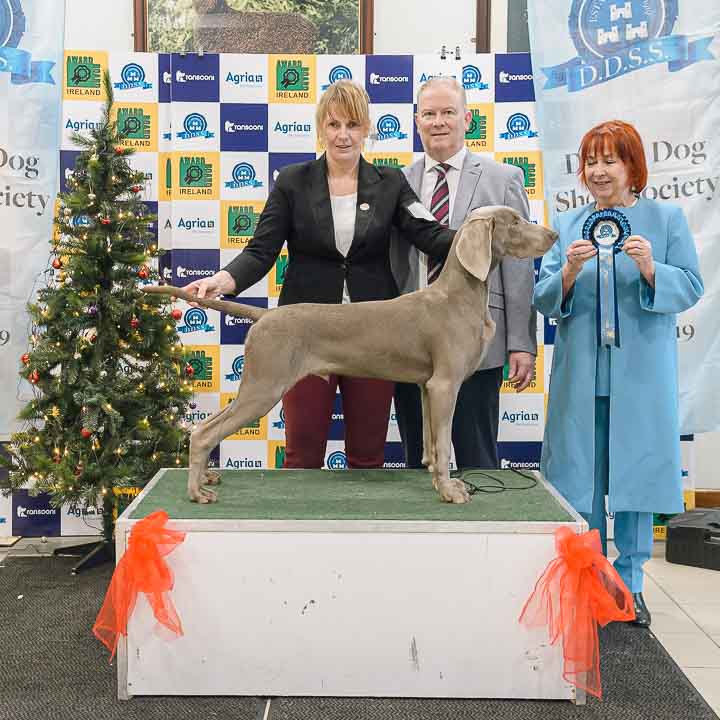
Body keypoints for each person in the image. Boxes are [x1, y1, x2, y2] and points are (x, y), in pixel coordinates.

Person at [185, 79, 453, 469]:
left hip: (376, 334)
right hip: (304, 333)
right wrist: (222, 281)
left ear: (366, 128)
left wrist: (483, 237)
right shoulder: (293, 181)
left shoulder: (391, 182)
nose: (343, 135)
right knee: (302, 454)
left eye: (353, 125)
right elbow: (261, 251)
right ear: (321, 127)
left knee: (368, 456)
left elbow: (428, 234)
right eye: (334, 124)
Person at [534, 120, 703, 628]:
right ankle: (585, 580)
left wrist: (652, 269)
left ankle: (630, 587)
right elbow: (544, 298)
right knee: (581, 482)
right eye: (591, 161)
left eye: (610, 160)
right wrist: (567, 273)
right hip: (581, 378)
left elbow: (691, 286)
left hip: (641, 379)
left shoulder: (667, 220)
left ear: (633, 167)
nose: (599, 171)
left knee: (636, 482)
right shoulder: (568, 224)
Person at [391, 76, 537, 471]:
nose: (438, 122)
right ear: (416, 121)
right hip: (409, 342)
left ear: (467, 119)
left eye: (448, 112)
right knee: (418, 462)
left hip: (477, 341)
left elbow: (519, 267)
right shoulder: (396, 182)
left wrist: (521, 343)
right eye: (429, 114)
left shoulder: (503, 179)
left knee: (478, 462)